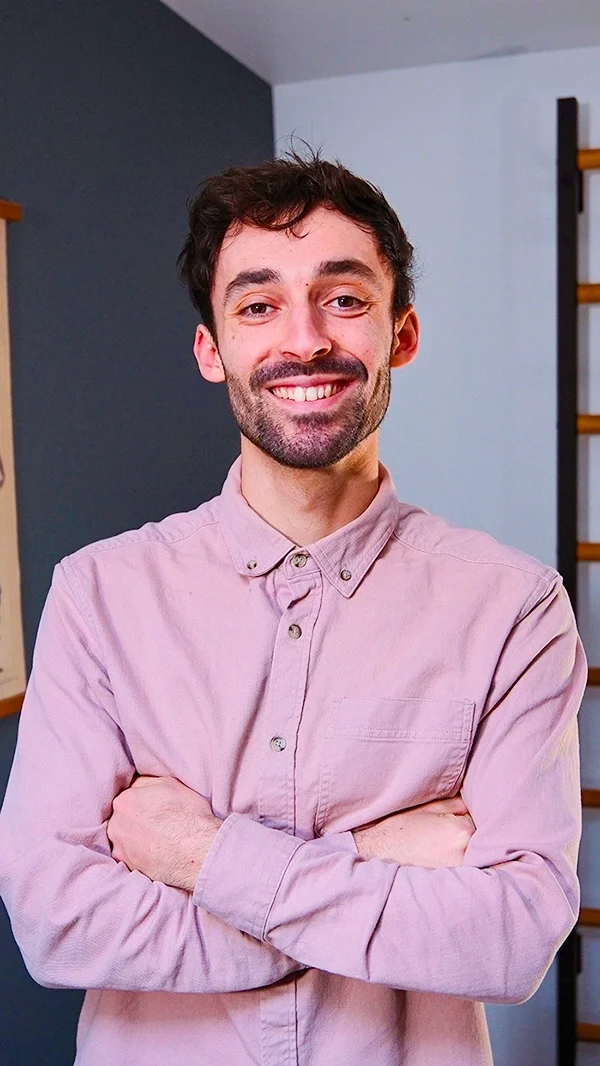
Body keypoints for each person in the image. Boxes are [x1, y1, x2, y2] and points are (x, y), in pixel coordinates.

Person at [0, 152, 586, 1066]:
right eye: (258, 303)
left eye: (345, 299)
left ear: (402, 334)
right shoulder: (97, 593)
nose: (303, 339)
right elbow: (56, 921)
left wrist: (197, 855)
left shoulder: (514, 608)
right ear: (211, 348)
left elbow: (510, 939)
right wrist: (373, 857)